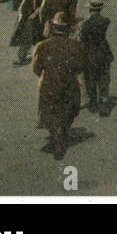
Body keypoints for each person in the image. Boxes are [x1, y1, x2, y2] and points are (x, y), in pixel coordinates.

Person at [32, 12, 84, 159]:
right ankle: (63, 135)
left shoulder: (42, 46)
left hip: (49, 85)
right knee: (67, 112)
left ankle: (57, 140)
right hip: (69, 84)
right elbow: (80, 66)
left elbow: (36, 68)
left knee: (52, 114)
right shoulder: (75, 45)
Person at [78, 0, 113, 116]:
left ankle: (93, 104)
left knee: (90, 80)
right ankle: (103, 103)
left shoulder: (85, 24)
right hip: (103, 52)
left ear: (90, 10)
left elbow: (82, 38)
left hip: (90, 54)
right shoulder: (105, 21)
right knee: (103, 78)